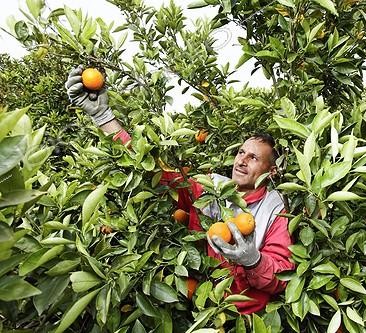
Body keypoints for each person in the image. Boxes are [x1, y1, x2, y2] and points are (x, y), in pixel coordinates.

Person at [65, 66, 295, 314]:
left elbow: (283, 277)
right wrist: (103, 117)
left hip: (248, 320)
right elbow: (152, 174)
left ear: (270, 171)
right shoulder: (208, 187)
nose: (241, 161)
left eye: (253, 158)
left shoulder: (274, 208)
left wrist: (254, 261)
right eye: (241, 152)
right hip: (202, 311)